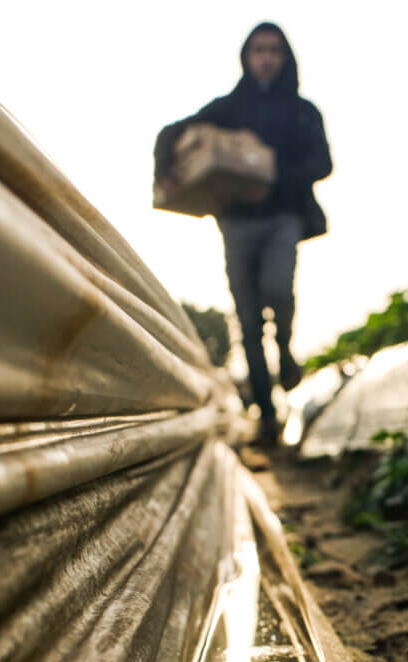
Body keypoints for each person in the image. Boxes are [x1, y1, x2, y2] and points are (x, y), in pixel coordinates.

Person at [154, 22, 333, 445]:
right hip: (235, 225)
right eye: (258, 50)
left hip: (282, 218)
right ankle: (267, 416)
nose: (266, 57)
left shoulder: (302, 112)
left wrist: (271, 177)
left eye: (273, 50)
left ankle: (285, 350)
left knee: (277, 288)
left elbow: (322, 163)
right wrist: (166, 171)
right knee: (247, 320)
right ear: (247, 56)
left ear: (284, 56)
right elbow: (170, 134)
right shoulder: (229, 109)